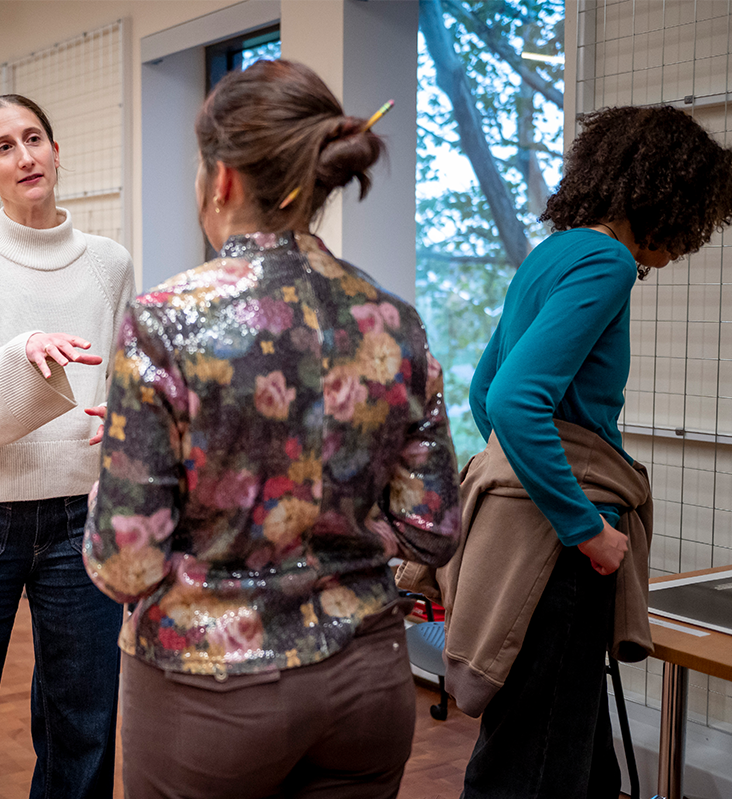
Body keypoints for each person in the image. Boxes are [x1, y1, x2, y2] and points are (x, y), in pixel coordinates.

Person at [83, 59, 461, 799]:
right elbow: (432, 528)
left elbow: (124, 566)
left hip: (211, 690)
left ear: (221, 178)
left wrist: (118, 481)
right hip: (367, 679)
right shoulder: (394, 321)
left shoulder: (167, 320)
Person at [453, 105, 732, 798]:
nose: (687, 242)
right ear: (668, 197)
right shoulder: (608, 261)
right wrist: (586, 528)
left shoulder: (551, 253)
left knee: (566, 750)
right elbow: (513, 399)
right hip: (560, 551)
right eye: (694, 219)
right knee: (536, 764)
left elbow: (483, 389)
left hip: (522, 538)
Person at [0, 94, 134, 798]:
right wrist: (20, 357)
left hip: (82, 520)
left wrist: (129, 418)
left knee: (86, 731)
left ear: (57, 149)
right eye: (4, 147)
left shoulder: (110, 264)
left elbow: (131, 378)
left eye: (34, 137)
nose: (25, 156)